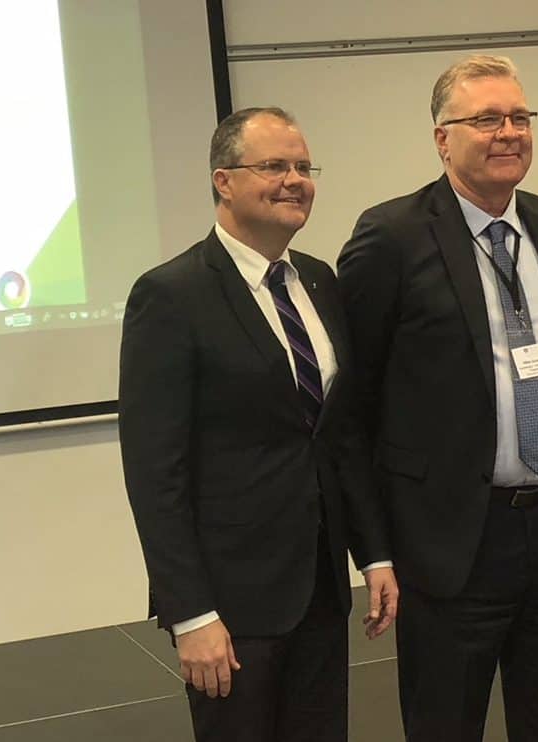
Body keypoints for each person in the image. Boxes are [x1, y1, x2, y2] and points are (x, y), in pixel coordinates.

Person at [337, 55, 538, 742]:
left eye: (519, 117)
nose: (508, 132)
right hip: (452, 541)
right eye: (486, 119)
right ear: (442, 138)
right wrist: (375, 551)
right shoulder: (391, 237)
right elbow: (353, 410)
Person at [118, 106, 397, 742]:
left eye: (303, 166)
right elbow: (154, 471)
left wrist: (373, 552)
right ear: (224, 180)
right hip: (231, 602)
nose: (294, 179)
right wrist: (189, 613)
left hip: (320, 589)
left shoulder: (319, 282)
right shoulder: (171, 295)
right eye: (274, 165)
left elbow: (340, 435)